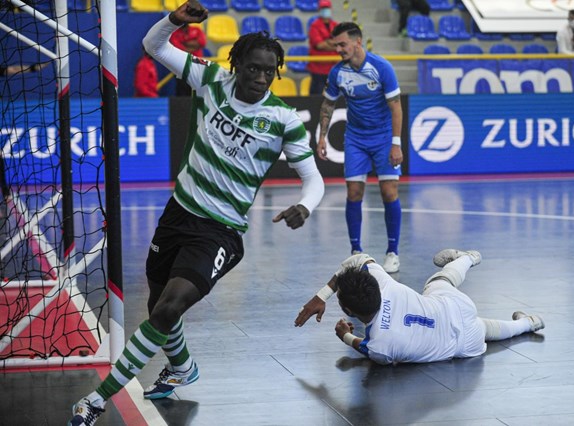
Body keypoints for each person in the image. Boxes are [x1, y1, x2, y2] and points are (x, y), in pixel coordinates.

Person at [68, 2, 325, 425]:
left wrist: (305, 205)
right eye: (253, 68)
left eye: (269, 72)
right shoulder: (210, 80)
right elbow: (153, 46)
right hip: (178, 214)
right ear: (236, 63)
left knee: (167, 309)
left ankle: (96, 401)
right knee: (158, 305)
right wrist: (173, 20)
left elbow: (313, 179)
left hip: (220, 232)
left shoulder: (282, 119)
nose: (260, 78)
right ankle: (183, 367)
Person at [295, 249, 545, 365]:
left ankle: (527, 323)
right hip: (451, 306)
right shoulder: (384, 283)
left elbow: (366, 348)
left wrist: (345, 335)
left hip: (462, 345)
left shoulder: (382, 345)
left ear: (349, 311)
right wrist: (323, 294)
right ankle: (467, 258)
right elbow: (358, 259)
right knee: (439, 281)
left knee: (486, 329)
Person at [317, 22, 403, 273]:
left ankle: (392, 252)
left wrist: (395, 144)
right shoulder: (337, 73)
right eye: (336, 45)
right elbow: (327, 105)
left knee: (389, 192)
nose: (338, 49)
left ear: (358, 42)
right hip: (355, 138)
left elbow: (396, 107)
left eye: (342, 44)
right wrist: (322, 137)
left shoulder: (381, 67)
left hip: (384, 137)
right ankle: (356, 251)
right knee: (354, 193)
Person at [307, 0, 338, 95]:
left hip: (333, 66)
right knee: (316, 95)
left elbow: (341, 43)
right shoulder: (314, 26)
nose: (325, 10)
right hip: (318, 68)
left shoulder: (335, 25)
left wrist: (328, 42)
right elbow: (319, 45)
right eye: (323, 8)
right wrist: (334, 45)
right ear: (319, 10)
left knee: (334, 94)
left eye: (327, 8)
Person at [169, 21, 207, 95]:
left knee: (198, 91)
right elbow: (178, 48)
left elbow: (202, 43)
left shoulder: (197, 30)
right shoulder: (174, 33)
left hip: (196, 65)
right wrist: (195, 46)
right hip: (181, 65)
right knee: (182, 91)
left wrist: (185, 43)